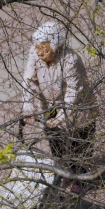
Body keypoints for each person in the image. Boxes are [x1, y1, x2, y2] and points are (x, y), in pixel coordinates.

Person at [22, 21, 96, 194]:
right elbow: (28, 80)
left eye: (45, 50)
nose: (40, 53)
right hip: (51, 104)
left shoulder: (71, 60)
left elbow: (73, 94)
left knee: (79, 143)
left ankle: (80, 177)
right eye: (38, 48)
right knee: (55, 140)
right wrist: (28, 108)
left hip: (79, 107)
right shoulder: (35, 53)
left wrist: (61, 117)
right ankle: (65, 171)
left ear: (56, 47)